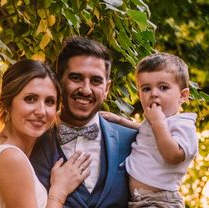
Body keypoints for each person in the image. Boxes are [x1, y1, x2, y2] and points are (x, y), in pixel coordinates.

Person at [0, 59, 92, 208]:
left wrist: (120, 122)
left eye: (49, 101)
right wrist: (59, 191)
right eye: (30, 99)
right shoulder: (11, 158)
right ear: (8, 103)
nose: (41, 111)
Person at [30, 37, 138, 207]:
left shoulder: (133, 141)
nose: (86, 90)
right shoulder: (30, 142)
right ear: (58, 82)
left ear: (107, 89)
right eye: (76, 78)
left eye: (96, 81)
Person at [101, 52, 198, 208]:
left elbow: (174, 155)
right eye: (146, 88)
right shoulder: (156, 124)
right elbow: (145, 130)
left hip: (160, 201)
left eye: (163, 87)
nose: (154, 94)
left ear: (183, 95)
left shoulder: (184, 125)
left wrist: (157, 122)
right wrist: (121, 120)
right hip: (140, 201)